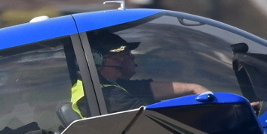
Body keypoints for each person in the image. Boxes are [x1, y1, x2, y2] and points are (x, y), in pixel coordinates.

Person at [71, 30, 210, 117]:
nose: (130, 58)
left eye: (127, 54)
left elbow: (147, 88)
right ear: (96, 60)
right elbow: (153, 121)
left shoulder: (107, 85)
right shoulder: (106, 96)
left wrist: (195, 88)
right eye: (121, 55)